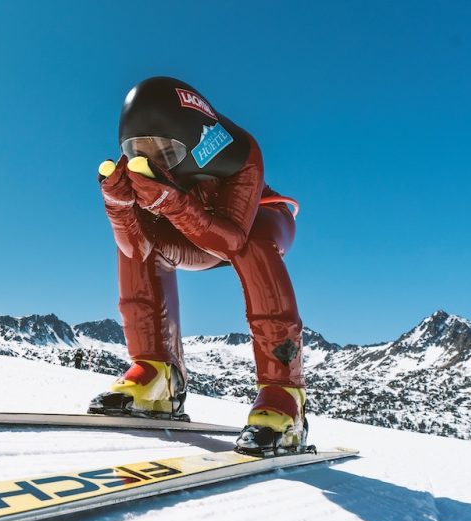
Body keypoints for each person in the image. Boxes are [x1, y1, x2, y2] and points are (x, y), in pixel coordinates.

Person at [87, 77, 306, 456]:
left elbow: (232, 241)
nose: (152, 161)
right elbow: (136, 247)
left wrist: (171, 204)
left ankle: (284, 393)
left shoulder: (240, 151)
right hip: (190, 226)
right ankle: (157, 375)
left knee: (254, 244)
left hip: (261, 219)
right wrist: (121, 211)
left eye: (165, 151)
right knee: (141, 235)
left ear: (191, 138)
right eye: (138, 149)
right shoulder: (147, 175)